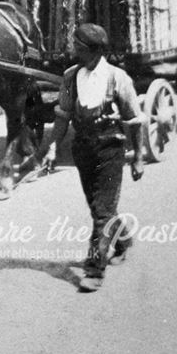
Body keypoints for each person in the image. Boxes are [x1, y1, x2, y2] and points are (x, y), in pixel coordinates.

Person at [42, 23, 145, 292]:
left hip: (111, 150)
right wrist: (53, 147)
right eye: (75, 46)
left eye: (80, 48)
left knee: (101, 213)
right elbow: (63, 115)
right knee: (100, 208)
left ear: (97, 51)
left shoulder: (118, 78)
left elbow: (135, 120)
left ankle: (94, 270)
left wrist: (138, 157)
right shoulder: (70, 76)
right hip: (83, 150)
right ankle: (122, 241)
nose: (75, 52)